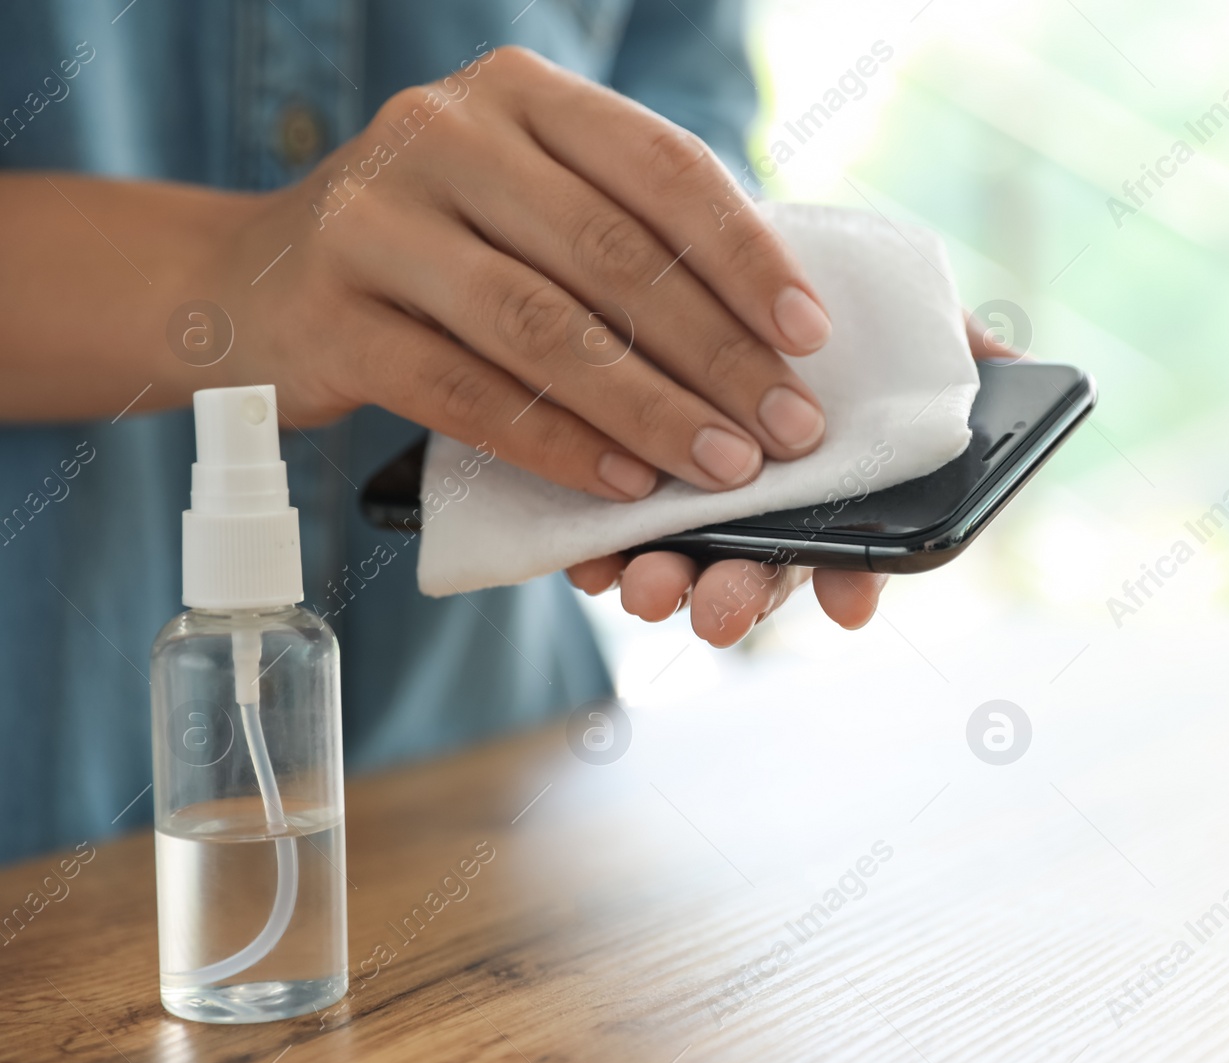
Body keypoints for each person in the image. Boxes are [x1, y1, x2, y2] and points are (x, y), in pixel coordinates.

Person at [0, 0, 992, 865]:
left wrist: (723, 319)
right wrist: (228, 273)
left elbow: (681, 95)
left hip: (521, 817)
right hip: (53, 832)